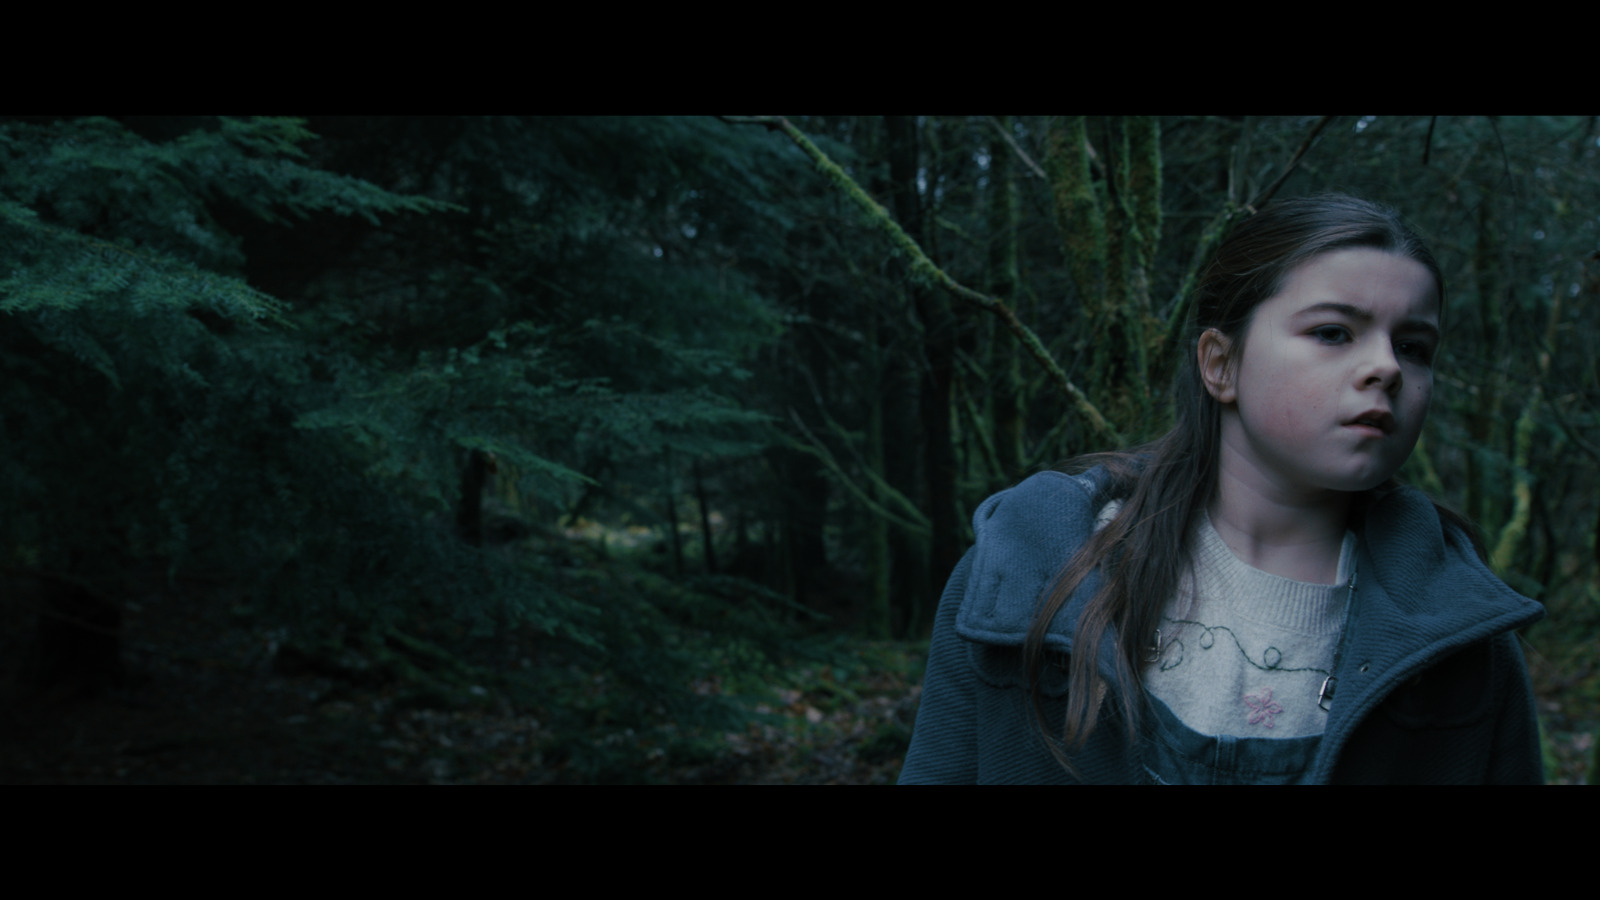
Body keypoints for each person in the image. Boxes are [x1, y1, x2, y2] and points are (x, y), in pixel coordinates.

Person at [898, 194, 1546, 784]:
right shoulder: (1029, 574)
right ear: (1219, 363)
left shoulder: (1463, 640)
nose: (1386, 367)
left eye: (1414, 346)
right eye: (1333, 333)